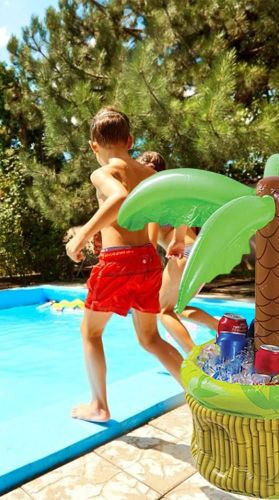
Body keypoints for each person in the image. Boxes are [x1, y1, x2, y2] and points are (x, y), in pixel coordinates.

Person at [65, 108, 184, 422]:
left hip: (119, 263)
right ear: (130, 141)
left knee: (90, 333)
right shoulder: (150, 175)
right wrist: (177, 239)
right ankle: (197, 392)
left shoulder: (103, 172)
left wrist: (81, 236)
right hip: (148, 261)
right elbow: (181, 206)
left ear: (94, 146)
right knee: (150, 339)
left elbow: (118, 198)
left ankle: (99, 406)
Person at [138, 151, 219, 353]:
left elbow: (149, 244)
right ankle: (224, 329)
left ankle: (194, 358)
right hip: (201, 256)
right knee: (177, 308)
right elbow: (188, 210)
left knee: (162, 310)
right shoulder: (170, 196)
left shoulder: (151, 199)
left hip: (185, 255)